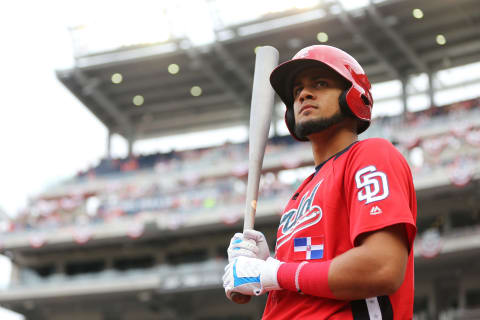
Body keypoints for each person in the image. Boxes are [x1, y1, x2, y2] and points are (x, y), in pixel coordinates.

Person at [223, 45, 417, 319]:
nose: (304, 94)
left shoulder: (370, 155)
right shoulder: (301, 193)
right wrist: (264, 265)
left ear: (353, 96)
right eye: (296, 90)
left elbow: (381, 267)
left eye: (320, 83)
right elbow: (303, 278)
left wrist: (272, 272)